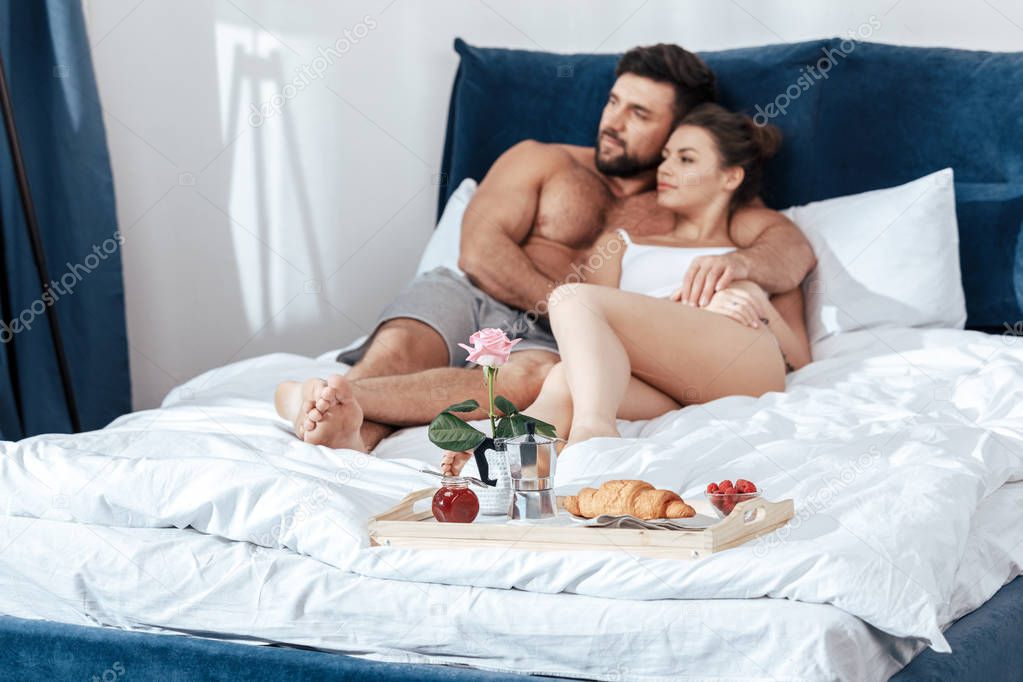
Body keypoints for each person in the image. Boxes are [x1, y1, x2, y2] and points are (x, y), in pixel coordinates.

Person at [274, 45, 816, 454]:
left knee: (531, 382)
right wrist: (572, 308)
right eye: (614, 102)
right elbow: (478, 250)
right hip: (474, 292)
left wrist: (740, 269)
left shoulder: (683, 197)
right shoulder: (542, 159)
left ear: (679, 131)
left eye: (640, 115)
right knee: (396, 354)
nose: (614, 121)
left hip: (553, 334)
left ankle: (344, 422)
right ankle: (340, 405)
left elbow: (788, 247)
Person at [442, 104, 811, 474]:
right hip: (665, 384)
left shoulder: (748, 248)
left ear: (730, 177)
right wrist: (681, 307)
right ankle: (513, 454)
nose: (665, 168)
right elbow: (589, 333)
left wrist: (754, 296)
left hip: (742, 360)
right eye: (666, 156)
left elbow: (800, 359)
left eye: (686, 159)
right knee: (566, 377)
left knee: (570, 298)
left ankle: (595, 436)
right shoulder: (619, 245)